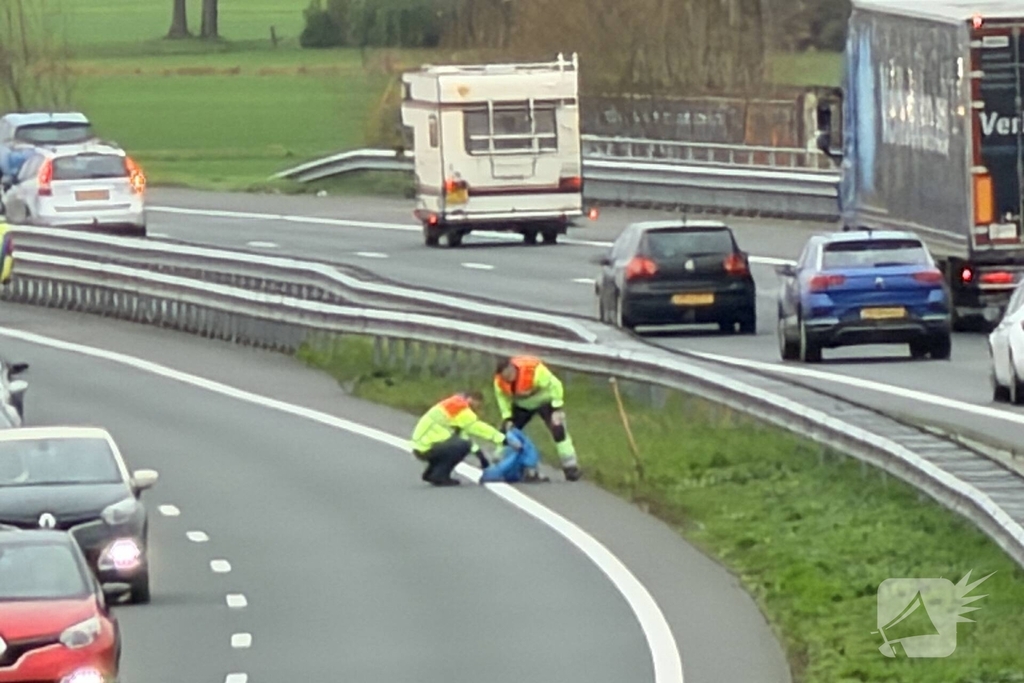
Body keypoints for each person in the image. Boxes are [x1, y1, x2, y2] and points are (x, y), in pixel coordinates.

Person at [493, 356, 582, 481]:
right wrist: (507, 417)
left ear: (512, 367)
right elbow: (502, 399)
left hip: (545, 401)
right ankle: (499, 461)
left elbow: (555, 385)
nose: (507, 379)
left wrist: (557, 408)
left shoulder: (534, 371)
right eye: (504, 377)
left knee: (558, 430)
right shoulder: (499, 382)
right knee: (507, 431)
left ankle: (570, 467)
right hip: (522, 405)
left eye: (508, 375)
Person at [410, 390, 521, 486]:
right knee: (461, 446)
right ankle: (440, 475)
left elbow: (462, 435)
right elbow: (478, 428)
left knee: (459, 445)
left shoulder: (454, 403)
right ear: (471, 399)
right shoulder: (461, 409)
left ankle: (431, 473)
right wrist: (504, 440)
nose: (477, 409)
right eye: (478, 405)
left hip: (423, 445)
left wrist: (480, 456)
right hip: (427, 446)